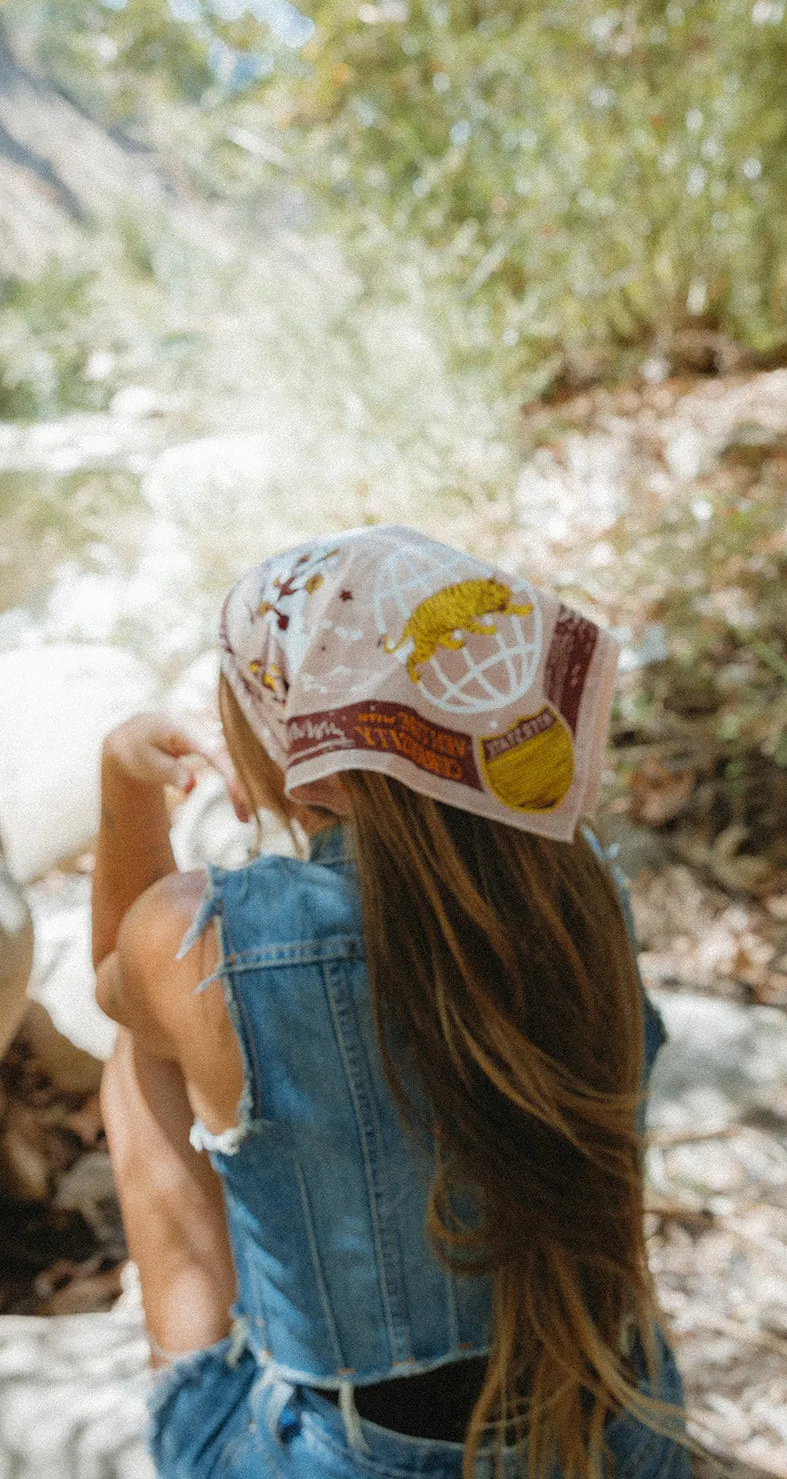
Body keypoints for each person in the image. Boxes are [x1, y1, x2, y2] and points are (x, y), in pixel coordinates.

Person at [91, 525, 691, 1479]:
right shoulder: (580, 888)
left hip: (350, 1457)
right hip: (615, 1425)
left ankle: (194, 1366)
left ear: (286, 741)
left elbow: (112, 985)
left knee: (140, 1052)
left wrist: (123, 782)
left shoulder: (203, 932)